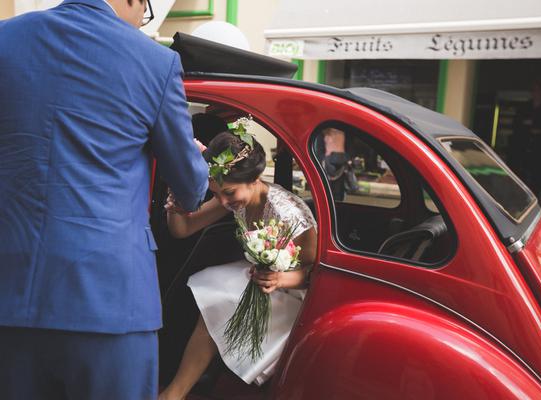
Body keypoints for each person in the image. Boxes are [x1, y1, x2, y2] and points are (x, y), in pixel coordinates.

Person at [0, 0, 208, 399]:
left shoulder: (6, 39)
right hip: (110, 301)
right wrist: (189, 160)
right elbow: (191, 189)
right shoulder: (154, 61)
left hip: (9, 296)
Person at [159, 128, 317, 400]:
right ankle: (176, 393)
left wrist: (280, 280)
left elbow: (314, 274)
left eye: (228, 193)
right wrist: (176, 203)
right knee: (214, 299)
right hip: (259, 278)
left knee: (218, 298)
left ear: (255, 178)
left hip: (294, 293)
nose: (222, 201)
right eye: (216, 193)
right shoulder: (233, 199)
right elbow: (183, 229)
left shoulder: (289, 213)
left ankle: (175, 393)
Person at [508, 80, 541, 204]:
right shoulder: (525, 107)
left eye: (539, 90)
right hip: (522, 148)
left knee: (536, 178)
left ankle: (533, 202)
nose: (536, 93)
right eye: (534, 90)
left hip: (539, 150)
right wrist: (530, 128)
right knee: (519, 176)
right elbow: (516, 125)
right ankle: (518, 201)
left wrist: (533, 128)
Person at [316, 127, 358, 201]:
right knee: (326, 193)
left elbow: (351, 150)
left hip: (340, 166)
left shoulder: (346, 132)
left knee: (338, 193)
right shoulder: (323, 131)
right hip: (328, 166)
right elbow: (320, 150)